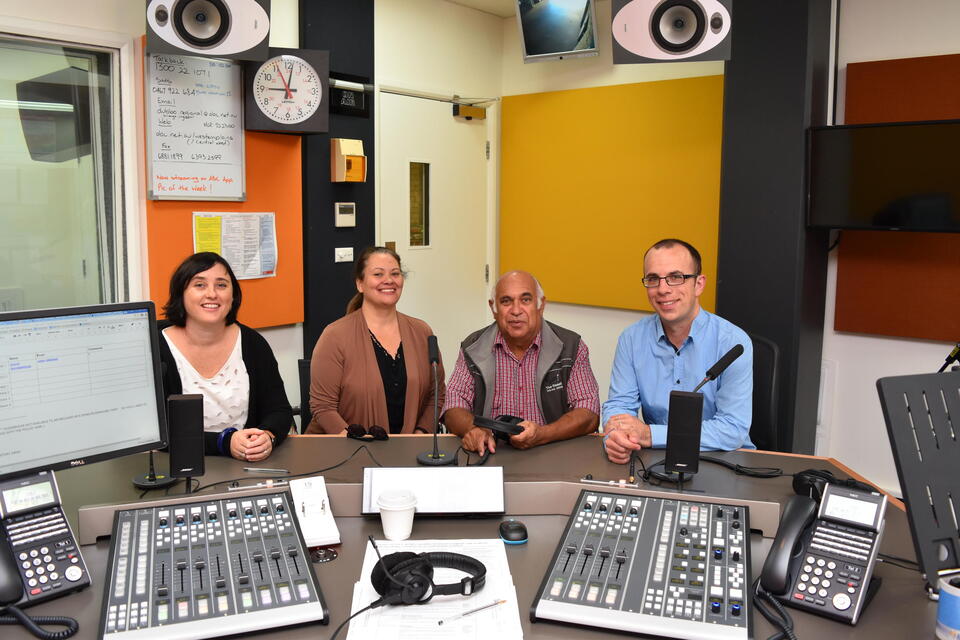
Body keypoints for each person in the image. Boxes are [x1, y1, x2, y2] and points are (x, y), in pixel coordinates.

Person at [602, 238, 753, 464]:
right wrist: (616, 437)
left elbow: (732, 430)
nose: (663, 289)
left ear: (699, 284)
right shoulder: (631, 339)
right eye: (653, 279)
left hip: (722, 459)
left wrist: (650, 434)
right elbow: (619, 406)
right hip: (656, 459)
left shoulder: (733, 342)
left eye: (676, 277)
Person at [443, 270, 600, 455]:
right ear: (493, 309)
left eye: (525, 300)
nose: (516, 311)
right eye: (506, 301)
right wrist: (474, 429)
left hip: (553, 451)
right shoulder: (473, 347)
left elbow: (589, 413)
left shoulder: (571, 347)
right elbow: (452, 406)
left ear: (541, 306)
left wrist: (542, 434)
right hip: (490, 453)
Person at [159, 252, 292, 462]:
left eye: (221, 285)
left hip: (244, 466)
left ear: (233, 295)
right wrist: (224, 442)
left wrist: (267, 436)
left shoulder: (253, 343)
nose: (212, 294)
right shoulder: (156, 347)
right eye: (199, 285)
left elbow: (280, 411)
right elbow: (155, 431)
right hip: (176, 465)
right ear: (181, 293)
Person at [306, 247, 444, 434]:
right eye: (378, 274)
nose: (389, 280)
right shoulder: (335, 336)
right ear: (360, 284)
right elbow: (323, 407)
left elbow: (436, 395)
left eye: (395, 273)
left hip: (410, 453)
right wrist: (356, 443)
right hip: (349, 453)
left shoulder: (422, 332)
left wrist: (420, 435)